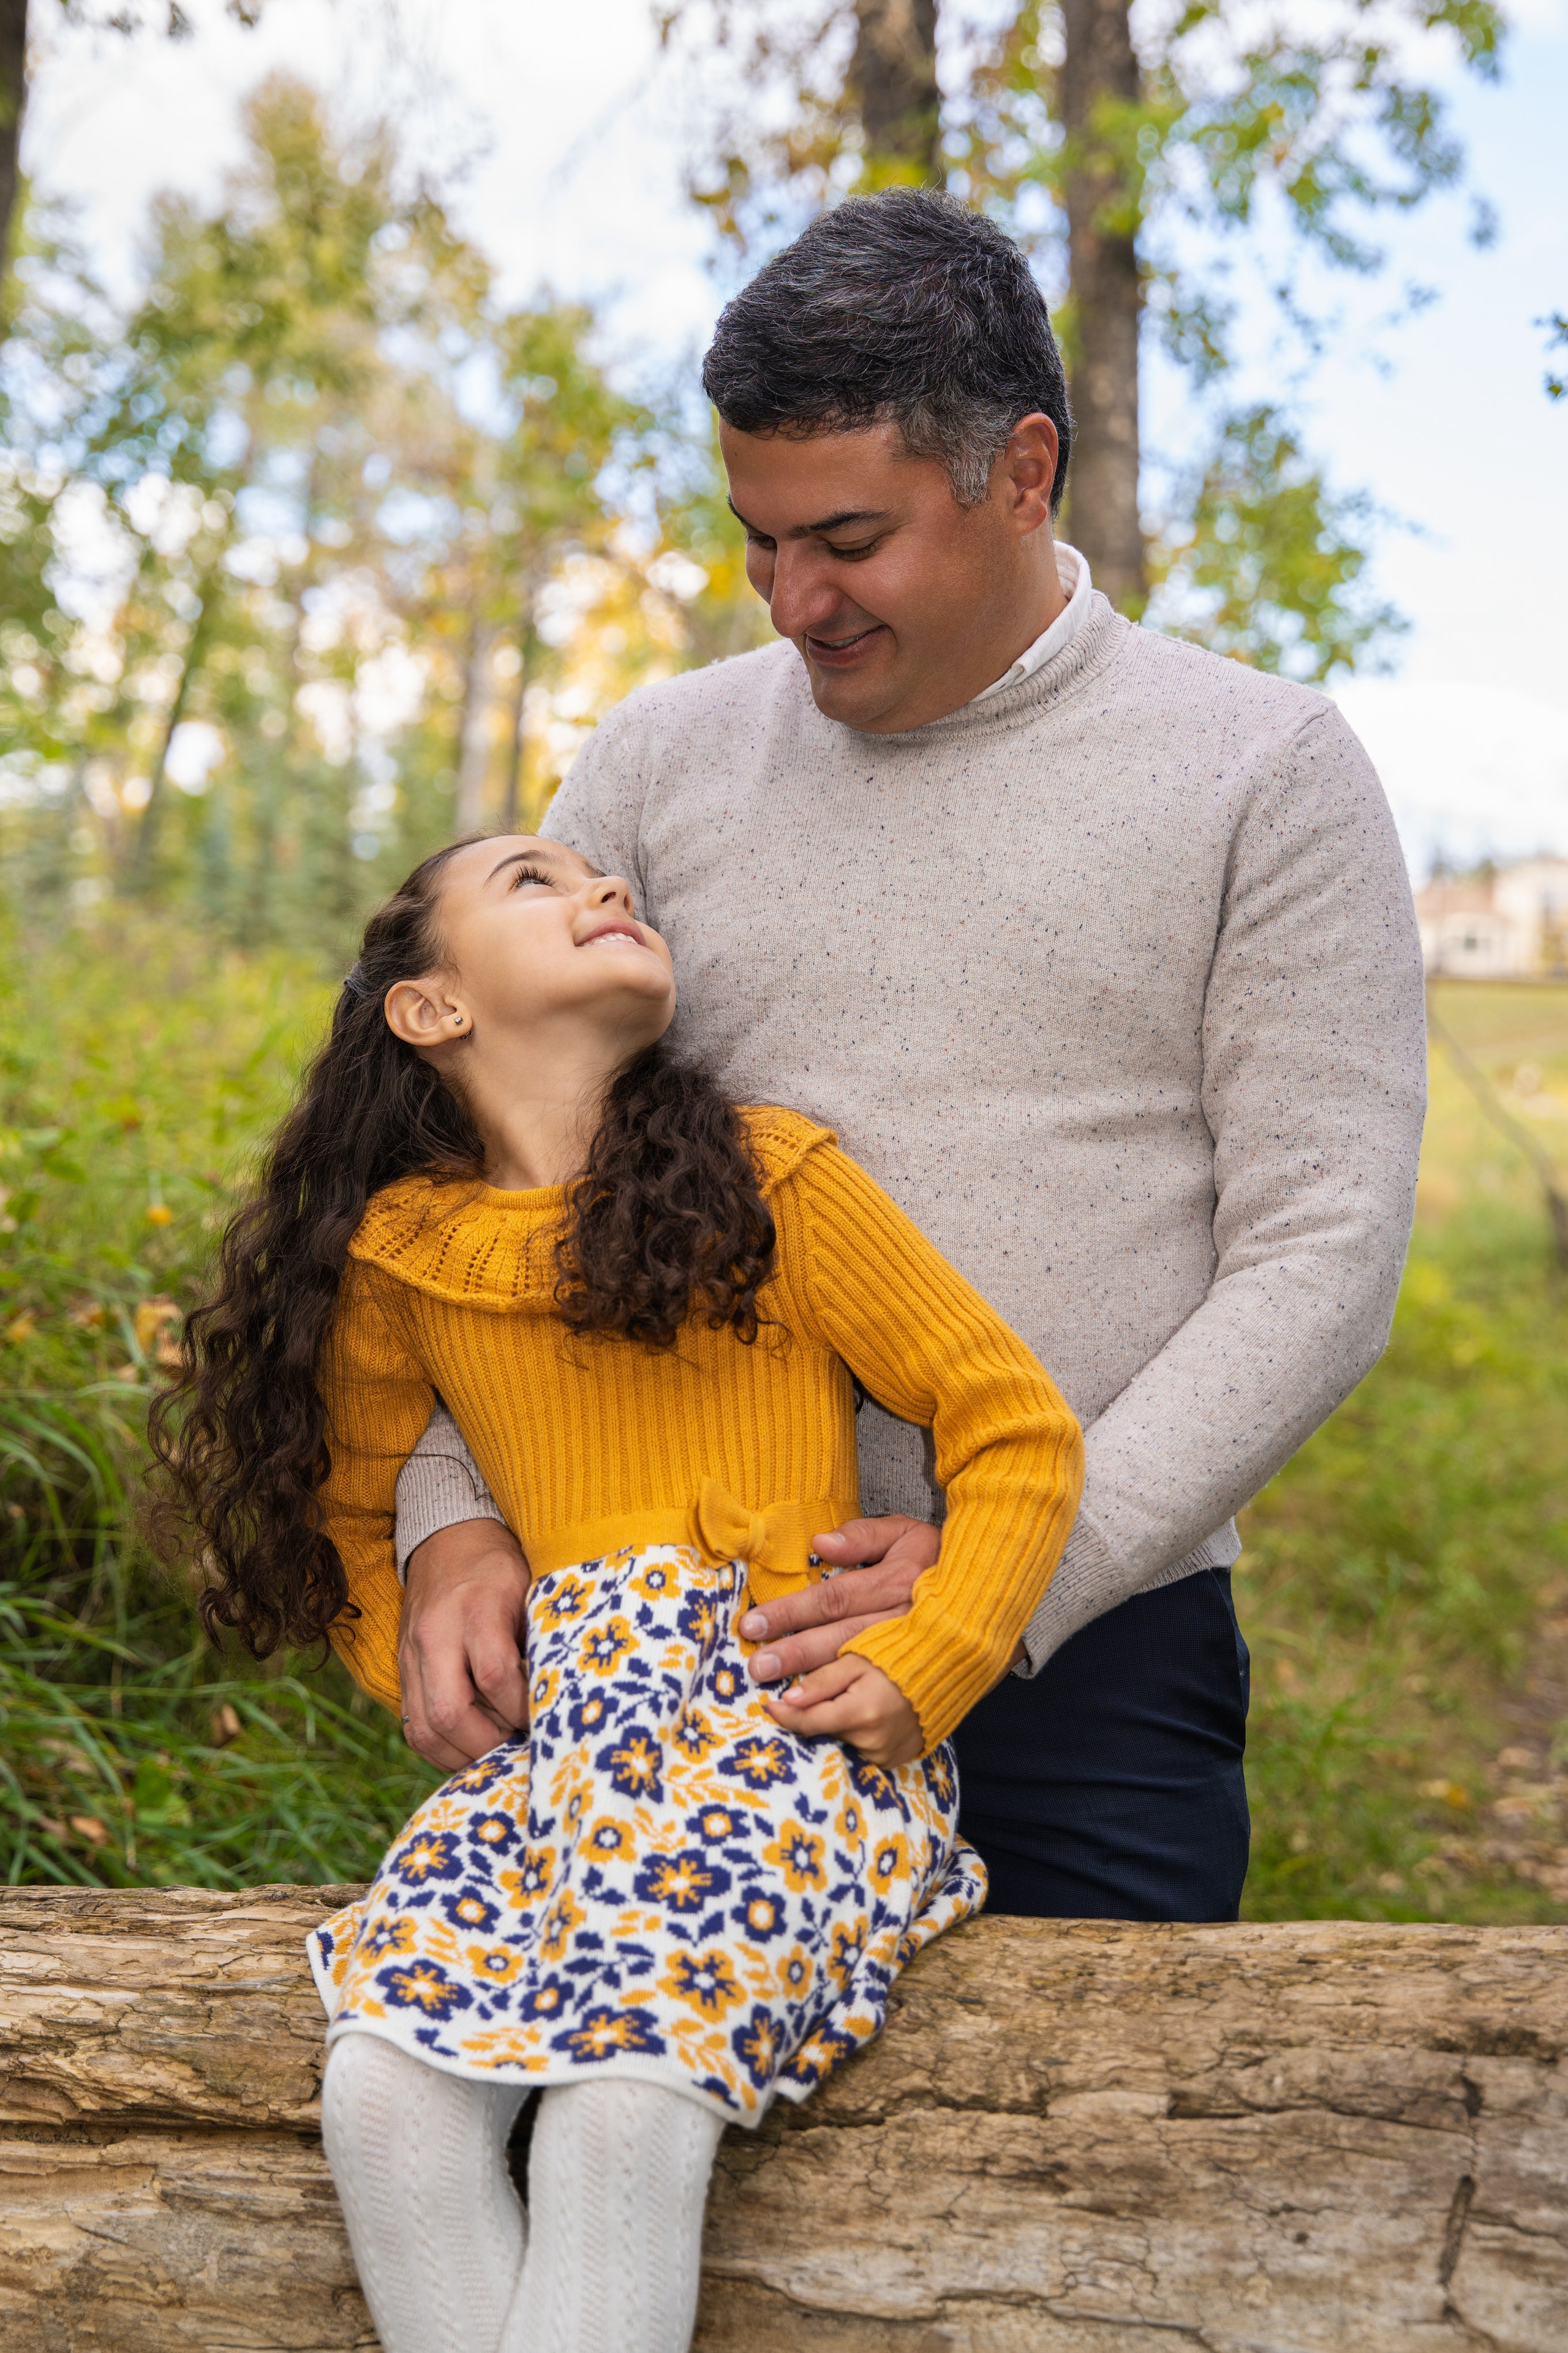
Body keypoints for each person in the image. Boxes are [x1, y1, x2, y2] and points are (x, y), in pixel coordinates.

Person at [393, 189, 1427, 1925]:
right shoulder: (658, 758)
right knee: (641, 2145)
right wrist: (448, 1516)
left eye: (849, 539)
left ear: (1020, 473)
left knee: (1092, 2170)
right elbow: (473, 1173)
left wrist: (1015, 1575)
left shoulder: (1265, 771)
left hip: (1081, 1652)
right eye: (756, 540)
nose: (793, 600)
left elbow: (1323, 1253)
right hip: (659, 1638)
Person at [152, 832, 1083, 2353]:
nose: (605, 892)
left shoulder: (775, 1174)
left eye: (610, 881)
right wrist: (430, 1671)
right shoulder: (406, 1252)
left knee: (616, 2110)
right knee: (383, 2093)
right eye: (535, 879)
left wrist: (942, 1647)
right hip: (557, 1763)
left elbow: (1011, 1423)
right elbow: (348, 1502)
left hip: (780, 1738)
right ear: (430, 1008)